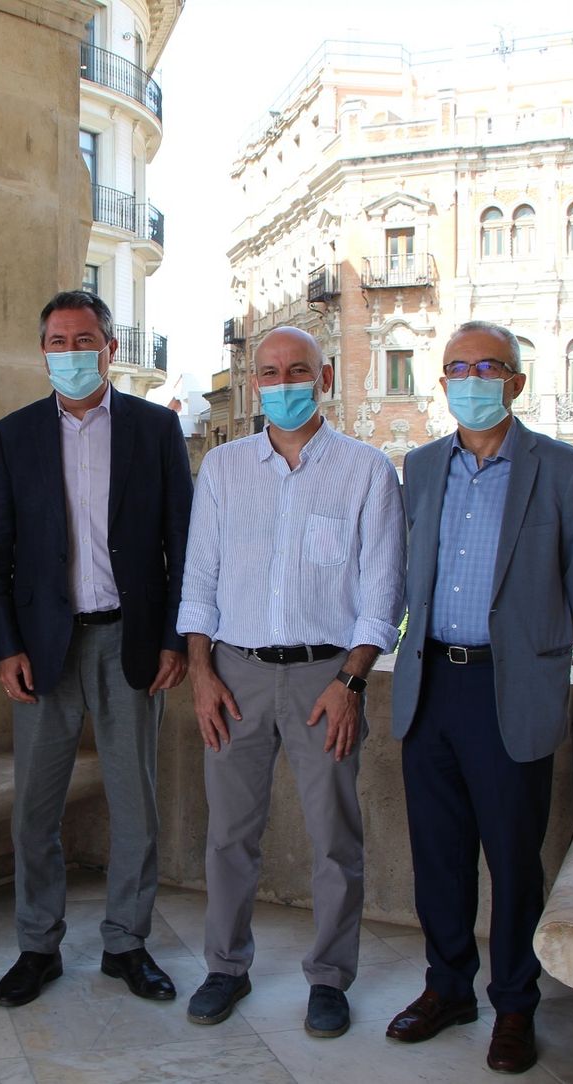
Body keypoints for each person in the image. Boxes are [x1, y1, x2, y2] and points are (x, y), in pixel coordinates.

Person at [386, 320, 573, 1074]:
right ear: (442, 382)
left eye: (490, 366)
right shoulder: (418, 467)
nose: (473, 379)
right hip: (431, 686)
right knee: (439, 857)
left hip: (509, 686)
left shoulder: (564, 469)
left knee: (514, 861)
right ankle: (448, 987)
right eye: (458, 367)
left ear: (516, 381)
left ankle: (515, 1003)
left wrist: (533, 645)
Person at [177, 325, 405, 1038]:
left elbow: (382, 594)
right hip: (235, 672)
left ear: (326, 378)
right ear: (253, 383)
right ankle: (225, 966)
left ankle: (330, 978)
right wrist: (201, 673)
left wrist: (351, 681)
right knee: (229, 835)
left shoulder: (367, 471)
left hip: (324, 678)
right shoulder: (222, 470)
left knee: (334, 837)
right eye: (269, 373)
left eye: (297, 371)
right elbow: (200, 581)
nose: (282, 384)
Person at [0, 290, 193, 1008]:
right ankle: (37, 947)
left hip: (127, 641)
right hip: (45, 646)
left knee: (136, 804)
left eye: (84, 340)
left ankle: (126, 945)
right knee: (32, 813)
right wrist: (5, 646)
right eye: (57, 341)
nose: (71, 353)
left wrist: (173, 639)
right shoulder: (12, 436)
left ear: (110, 347)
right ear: (42, 350)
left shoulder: (156, 429)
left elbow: (180, 544)